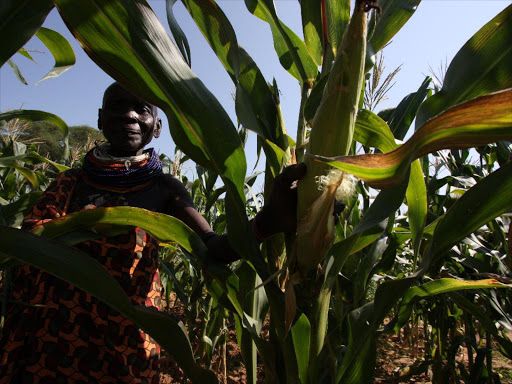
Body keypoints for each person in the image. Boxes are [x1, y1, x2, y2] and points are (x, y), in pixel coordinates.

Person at [0, 82, 306, 384]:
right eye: (117, 107)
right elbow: (28, 243)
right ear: (99, 118)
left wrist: (269, 221)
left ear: (156, 127)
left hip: (124, 341)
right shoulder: (70, 183)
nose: (129, 116)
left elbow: (213, 248)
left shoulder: (163, 189)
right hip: (50, 337)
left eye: (141, 110)